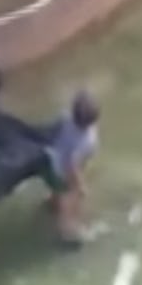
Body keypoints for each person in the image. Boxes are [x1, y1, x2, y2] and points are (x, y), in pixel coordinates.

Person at [45, 90, 100, 244]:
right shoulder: (86, 140)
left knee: (56, 192)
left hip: (51, 163)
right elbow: (72, 165)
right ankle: (67, 234)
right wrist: (80, 185)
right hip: (64, 173)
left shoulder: (65, 118)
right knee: (68, 203)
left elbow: (52, 132)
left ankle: (51, 204)